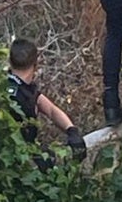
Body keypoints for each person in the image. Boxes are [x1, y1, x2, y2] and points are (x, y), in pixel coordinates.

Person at [7, 38, 86, 167]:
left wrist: (71, 130)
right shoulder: (15, 94)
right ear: (36, 64)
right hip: (17, 160)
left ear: (10, 61)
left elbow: (50, 109)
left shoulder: (21, 88)